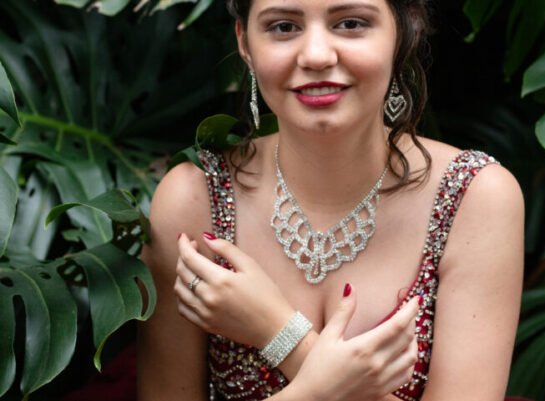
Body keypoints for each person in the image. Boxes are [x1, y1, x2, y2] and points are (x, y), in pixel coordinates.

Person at [137, 0, 524, 400]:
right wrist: (315, 382)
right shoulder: (195, 198)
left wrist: (276, 332)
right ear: (245, 44)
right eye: (284, 27)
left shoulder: (473, 197)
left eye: (351, 23)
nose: (317, 55)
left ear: (404, 31)